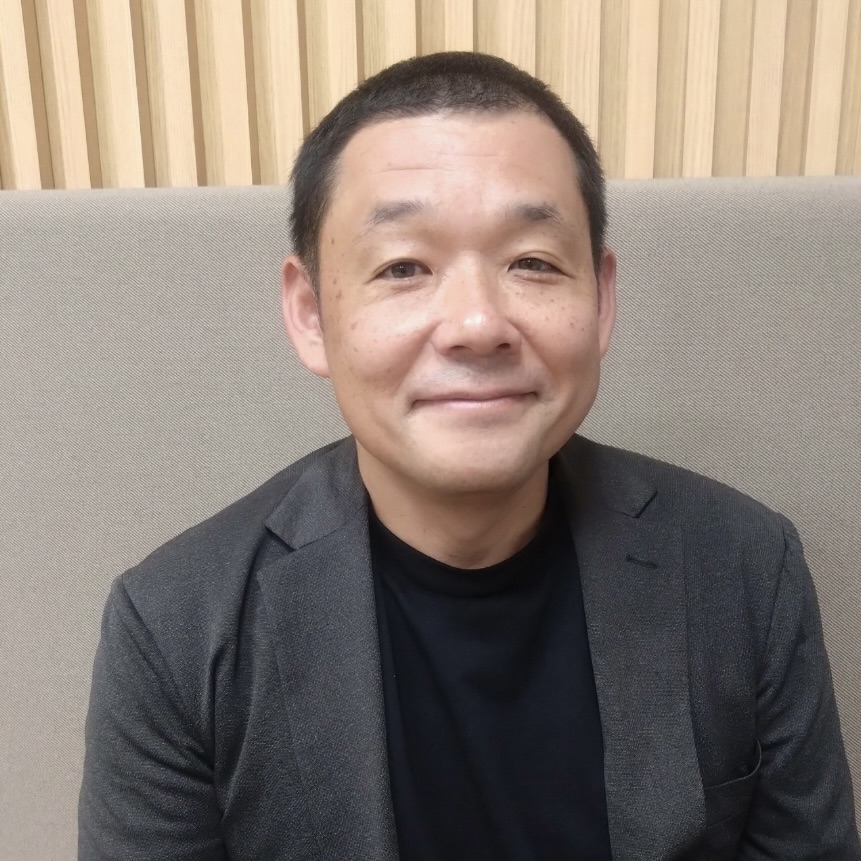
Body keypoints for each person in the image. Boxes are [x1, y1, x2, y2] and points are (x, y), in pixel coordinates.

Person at [78, 52, 859, 860]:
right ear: (310, 315)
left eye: (532, 262)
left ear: (600, 300)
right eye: (402, 267)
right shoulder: (175, 627)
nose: (477, 324)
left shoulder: (744, 569)